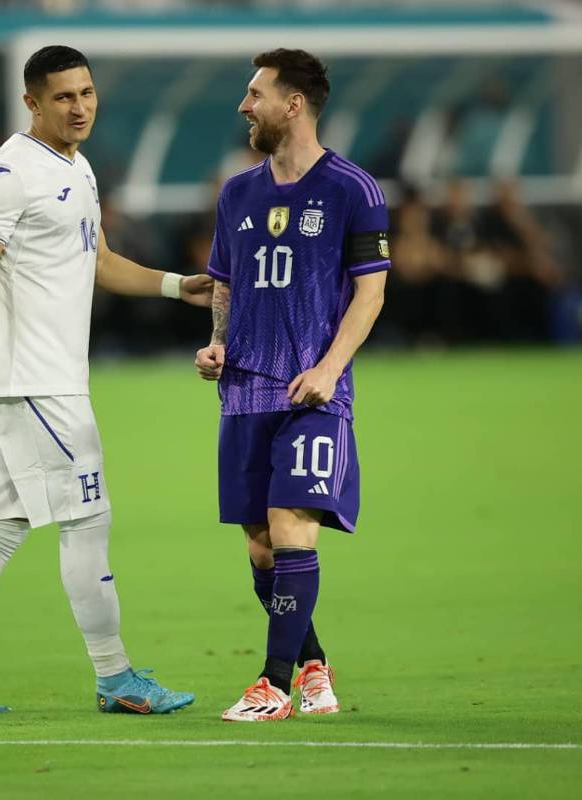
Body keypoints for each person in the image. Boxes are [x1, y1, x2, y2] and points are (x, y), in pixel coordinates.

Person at [0, 45, 208, 717]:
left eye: (87, 93)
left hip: (43, 382)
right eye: (65, 97)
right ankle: (115, 677)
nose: (80, 107)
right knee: (88, 523)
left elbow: (96, 259)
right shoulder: (9, 172)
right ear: (33, 103)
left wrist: (172, 286)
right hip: (36, 384)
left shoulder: (77, 165)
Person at [195, 49, 389, 722]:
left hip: (313, 389)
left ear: (294, 104)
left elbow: (370, 293)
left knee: (291, 528)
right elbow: (224, 281)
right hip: (245, 391)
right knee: (259, 543)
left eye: (256, 94)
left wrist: (331, 368)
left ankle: (272, 684)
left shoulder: (353, 190)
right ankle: (313, 666)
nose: (245, 106)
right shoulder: (237, 192)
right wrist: (218, 343)